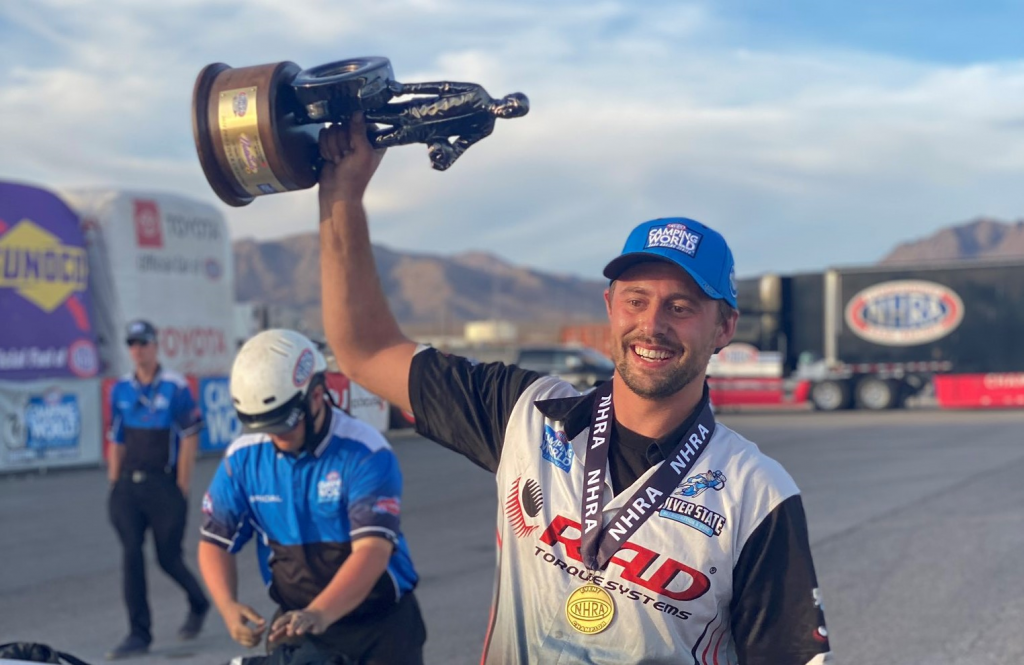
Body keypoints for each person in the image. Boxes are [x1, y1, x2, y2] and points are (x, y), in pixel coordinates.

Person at [314, 113, 833, 664]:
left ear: (724, 328)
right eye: (636, 300)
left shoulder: (757, 494)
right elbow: (365, 351)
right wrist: (343, 194)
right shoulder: (525, 414)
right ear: (610, 307)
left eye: (681, 307)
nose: (652, 324)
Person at [197, 329, 425, 664]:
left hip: (379, 628)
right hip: (298, 626)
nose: (277, 437)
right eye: (267, 428)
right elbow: (214, 541)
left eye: (285, 424)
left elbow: (372, 552)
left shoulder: (365, 452)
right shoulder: (242, 459)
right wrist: (228, 607)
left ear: (316, 395)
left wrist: (320, 612)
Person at [106, 319, 210, 659]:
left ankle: (198, 601)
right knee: (131, 554)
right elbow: (116, 439)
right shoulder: (120, 390)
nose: (138, 350)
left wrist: (181, 486)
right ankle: (139, 633)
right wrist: (114, 482)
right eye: (132, 344)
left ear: (155, 346)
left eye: (143, 343)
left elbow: (190, 435)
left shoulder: (174, 387)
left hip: (164, 485)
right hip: (128, 487)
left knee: (168, 557)